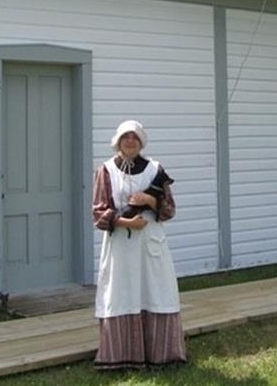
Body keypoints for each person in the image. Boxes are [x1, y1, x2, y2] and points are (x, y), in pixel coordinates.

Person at [91, 119, 187, 369]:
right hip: (121, 245)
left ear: (141, 141)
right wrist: (126, 222)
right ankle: (121, 355)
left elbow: (169, 209)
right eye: (125, 136)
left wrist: (149, 200)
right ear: (118, 141)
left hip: (150, 243)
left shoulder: (155, 169)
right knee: (121, 293)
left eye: (134, 137)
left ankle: (161, 354)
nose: (130, 141)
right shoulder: (106, 170)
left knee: (156, 291)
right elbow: (99, 213)